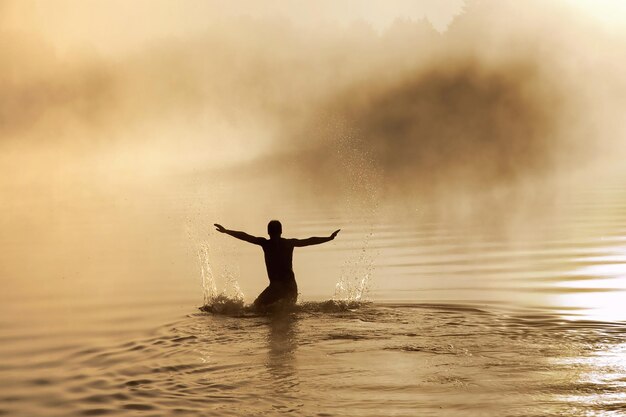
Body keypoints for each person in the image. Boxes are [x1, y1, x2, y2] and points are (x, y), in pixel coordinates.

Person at [214, 220, 340, 310]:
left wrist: (226, 231)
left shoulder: (265, 243)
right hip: (291, 287)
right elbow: (309, 241)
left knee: (256, 308)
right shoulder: (289, 243)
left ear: (268, 232)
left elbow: (246, 236)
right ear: (281, 231)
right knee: (286, 312)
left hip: (276, 287)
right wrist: (328, 238)